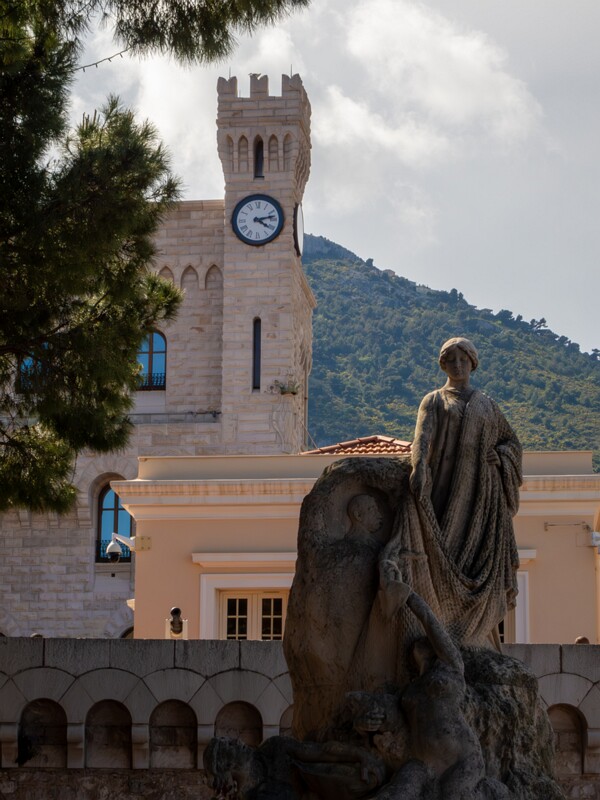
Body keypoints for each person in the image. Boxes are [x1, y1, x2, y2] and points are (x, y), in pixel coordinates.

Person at [380, 337, 522, 649]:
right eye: (452, 360)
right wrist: (419, 468)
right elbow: (422, 439)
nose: (458, 365)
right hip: (443, 490)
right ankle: (441, 622)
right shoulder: (434, 400)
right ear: (443, 364)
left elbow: (511, 442)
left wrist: (501, 456)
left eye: (463, 360)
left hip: (480, 495)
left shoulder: (487, 405)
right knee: (442, 550)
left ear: (472, 363)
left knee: (475, 557)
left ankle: (473, 633)